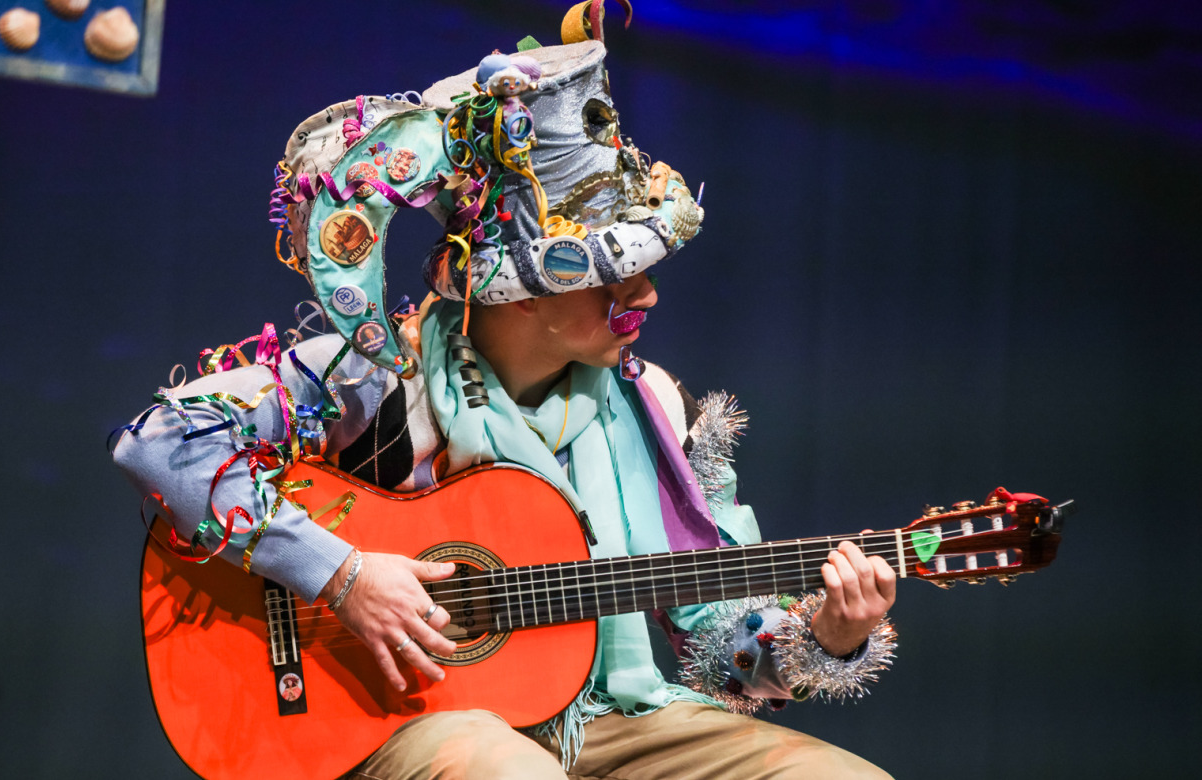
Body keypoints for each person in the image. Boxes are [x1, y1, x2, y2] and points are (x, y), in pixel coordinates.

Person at [114, 7, 897, 778]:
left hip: (610, 717)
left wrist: (825, 634)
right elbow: (159, 440)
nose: (648, 296)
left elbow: (715, 637)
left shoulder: (656, 405)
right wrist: (341, 576)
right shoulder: (375, 372)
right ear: (520, 293)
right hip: (410, 717)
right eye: (615, 276)